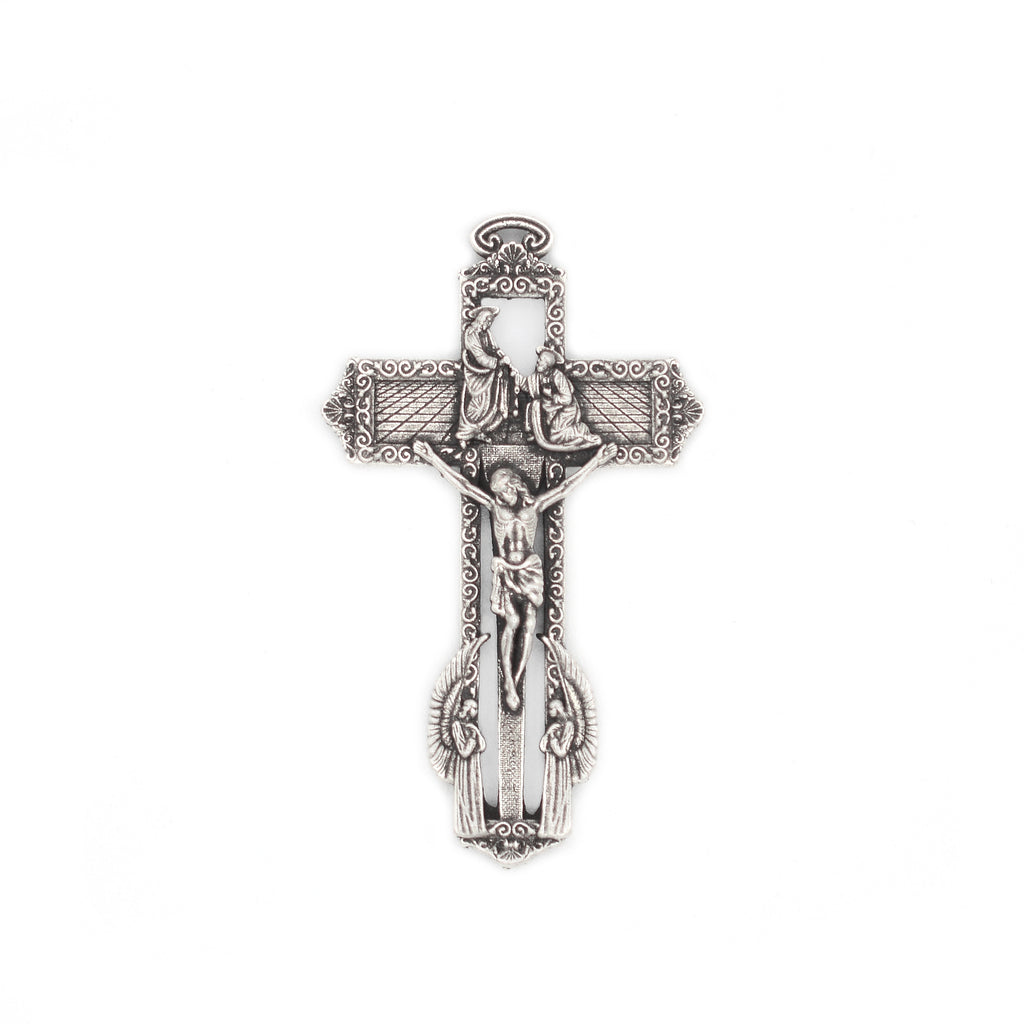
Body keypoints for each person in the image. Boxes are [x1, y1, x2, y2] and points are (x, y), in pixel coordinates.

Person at [413, 439, 617, 711]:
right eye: (497, 492)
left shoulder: (533, 507)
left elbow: (565, 487)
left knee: (530, 622)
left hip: (530, 571)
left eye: (503, 490)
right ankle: (508, 682)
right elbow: (465, 485)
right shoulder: (496, 509)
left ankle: (516, 679)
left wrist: (597, 461)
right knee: (512, 620)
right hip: (507, 572)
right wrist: (432, 458)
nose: (500, 495)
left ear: (514, 486)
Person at [455, 306, 516, 446]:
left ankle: (479, 431)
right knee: (478, 403)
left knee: (488, 403)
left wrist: (502, 356)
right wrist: (498, 362)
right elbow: (480, 357)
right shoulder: (471, 333)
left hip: (489, 373)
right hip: (477, 374)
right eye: (487, 321)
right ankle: (464, 434)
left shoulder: (486, 332)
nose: (489, 324)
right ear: (481, 319)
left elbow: (495, 348)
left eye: (490, 322)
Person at [524, 347, 600, 452]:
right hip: (551, 409)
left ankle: (582, 432)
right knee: (533, 406)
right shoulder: (538, 376)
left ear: (547, 363)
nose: (537, 361)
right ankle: (535, 431)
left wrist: (552, 395)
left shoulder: (558, 376)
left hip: (566, 410)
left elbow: (567, 399)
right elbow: (528, 386)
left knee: (554, 437)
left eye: (540, 359)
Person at [538, 699, 574, 839]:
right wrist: (549, 733)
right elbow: (542, 746)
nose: (549, 712)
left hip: (560, 766)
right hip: (552, 764)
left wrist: (552, 740)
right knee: (551, 791)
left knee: (558, 792)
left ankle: (557, 826)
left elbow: (561, 751)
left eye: (551, 709)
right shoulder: (555, 726)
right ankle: (549, 825)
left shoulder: (569, 726)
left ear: (557, 708)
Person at [451, 698, 487, 838]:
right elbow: (464, 752)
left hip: (473, 765)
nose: (476, 711)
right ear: (467, 708)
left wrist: (476, 731)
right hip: (464, 767)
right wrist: (472, 739)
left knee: (474, 793)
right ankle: (467, 827)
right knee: (466, 793)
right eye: (474, 708)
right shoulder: (456, 725)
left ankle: (476, 825)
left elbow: (482, 746)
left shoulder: (471, 726)